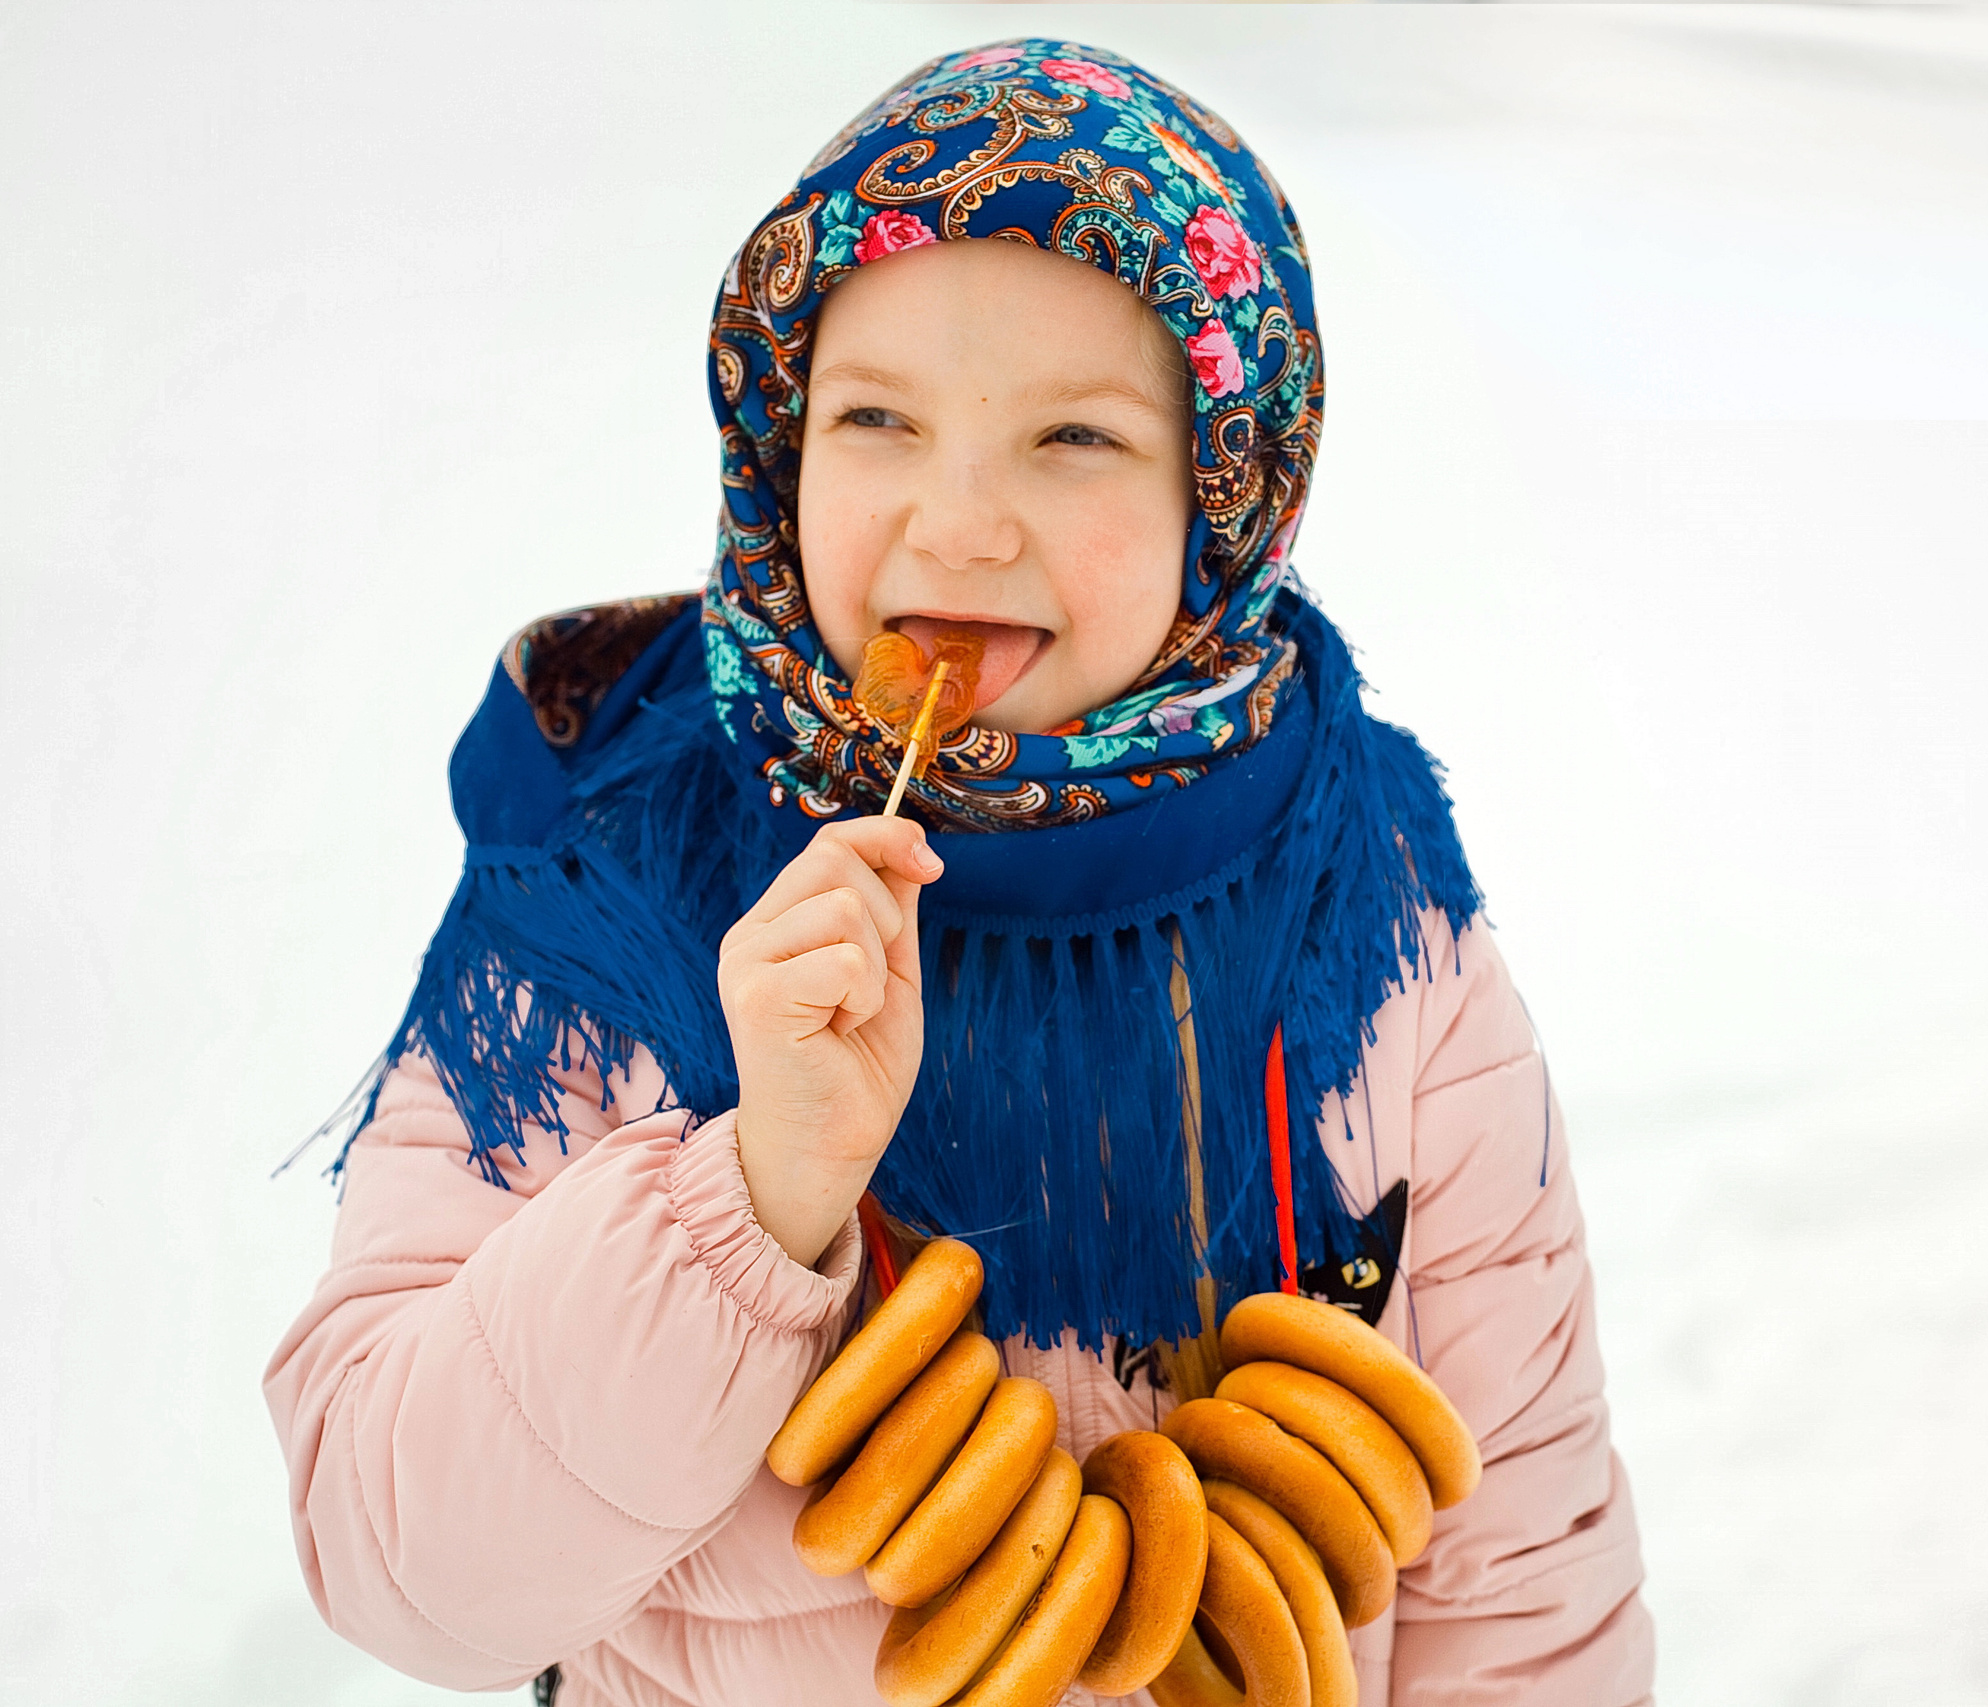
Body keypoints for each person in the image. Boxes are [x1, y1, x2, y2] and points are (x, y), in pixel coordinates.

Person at [265, 39, 1653, 1707]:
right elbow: (405, 1570)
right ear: (779, 445)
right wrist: (747, 1203)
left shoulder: (1375, 913)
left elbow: (1525, 1575)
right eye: (876, 421)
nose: (962, 522)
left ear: (1228, 496)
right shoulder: (602, 884)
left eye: (1073, 436)